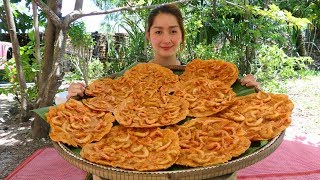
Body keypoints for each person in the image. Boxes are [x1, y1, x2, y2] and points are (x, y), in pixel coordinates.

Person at [67, 4, 260, 99]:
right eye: (158, 31)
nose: (166, 39)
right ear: (148, 36)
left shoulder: (201, 78)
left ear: (182, 36)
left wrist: (252, 89)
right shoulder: (130, 77)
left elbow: (231, 101)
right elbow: (99, 102)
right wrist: (77, 95)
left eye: (173, 31)